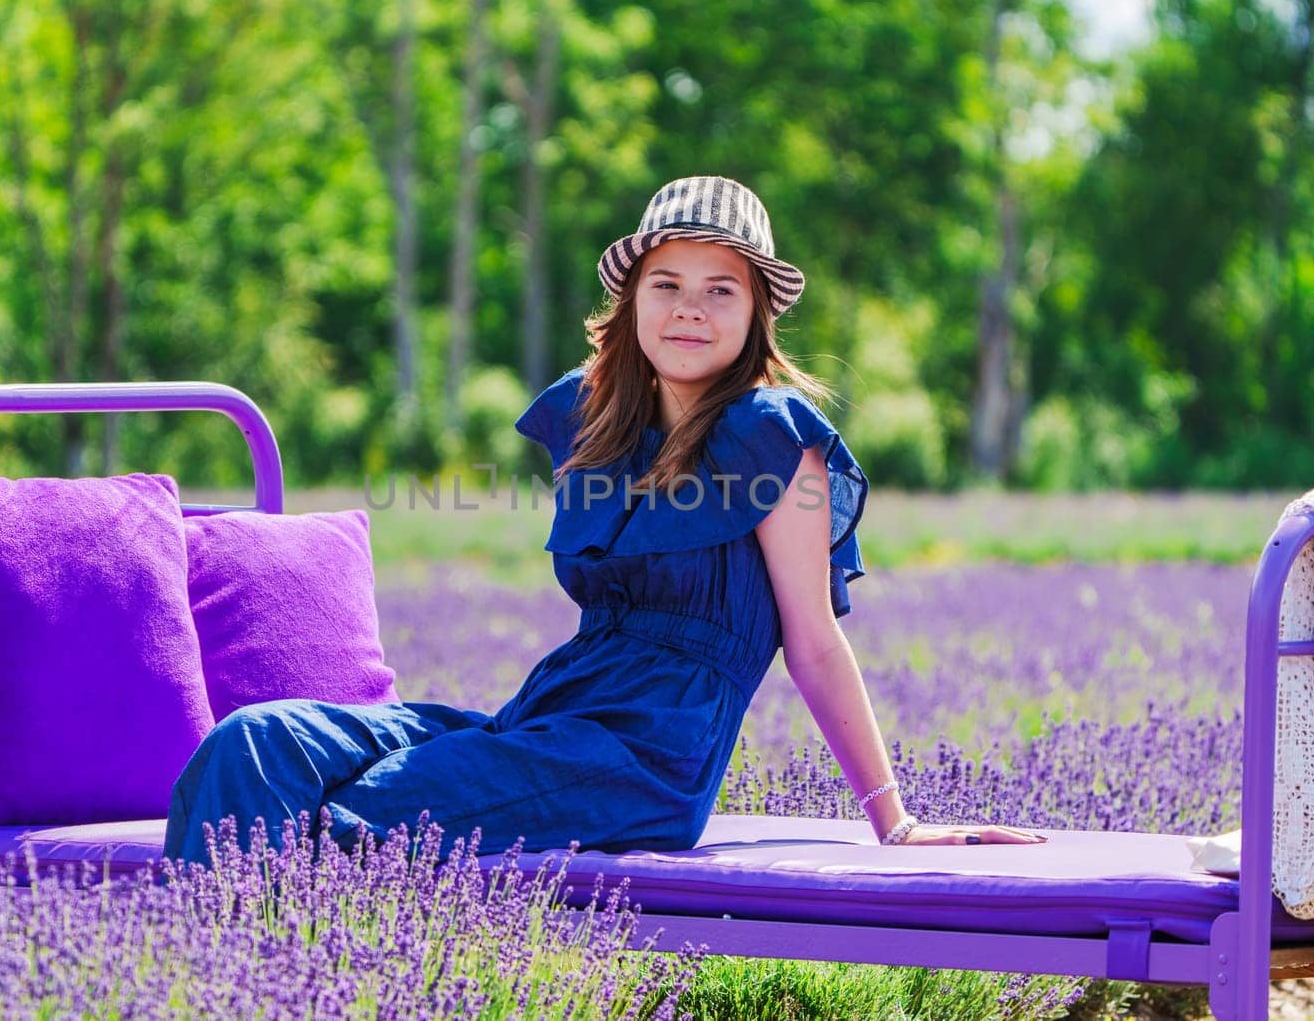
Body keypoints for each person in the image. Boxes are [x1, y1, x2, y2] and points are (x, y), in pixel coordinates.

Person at [162, 175, 1046, 867]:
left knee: (370, 811)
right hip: (549, 719)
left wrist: (895, 818)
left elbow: (813, 639)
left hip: (646, 758)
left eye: (720, 290)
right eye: (666, 283)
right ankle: (203, 975)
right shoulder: (598, 424)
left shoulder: (775, 439)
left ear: (757, 314)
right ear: (632, 301)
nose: (689, 307)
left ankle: (271, 963)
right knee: (256, 743)